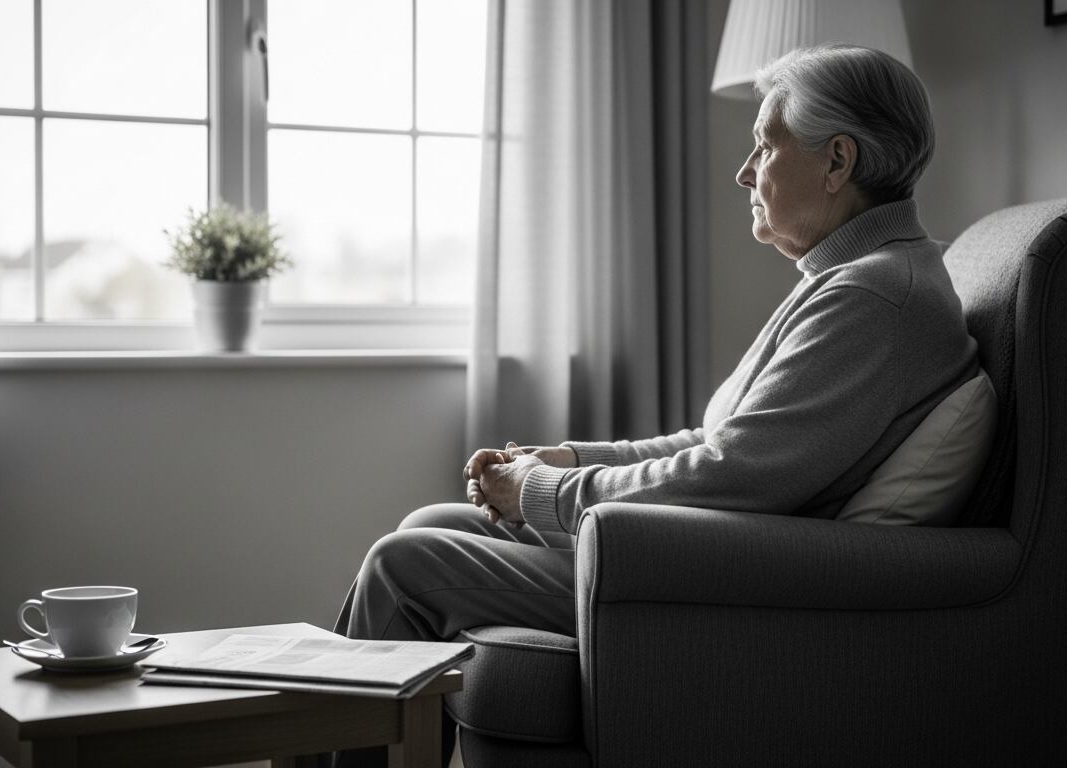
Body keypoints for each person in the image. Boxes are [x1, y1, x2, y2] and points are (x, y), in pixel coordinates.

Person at [332, 43, 979, 765]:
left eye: (765, 145)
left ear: (837, 162)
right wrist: (573, 459)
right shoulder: (855, 277)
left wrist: (545, 493)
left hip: (716, 575)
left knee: (403, 563)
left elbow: (735, 476)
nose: (744, 172)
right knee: (433, 521)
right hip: (691, 548)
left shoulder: (874, 296)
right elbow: (720, 441)